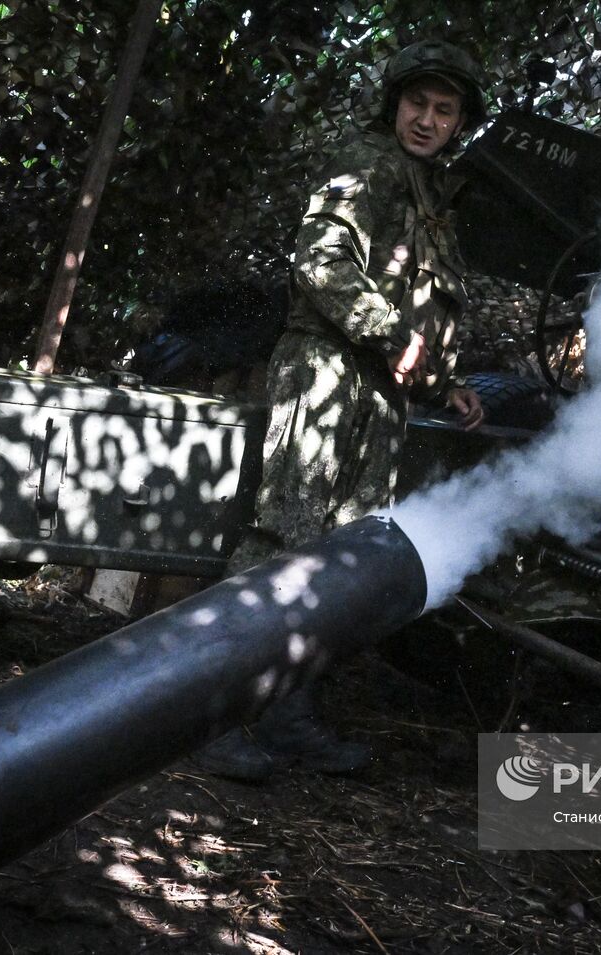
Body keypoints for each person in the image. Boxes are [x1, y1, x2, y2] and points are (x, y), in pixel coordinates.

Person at [195, 40, 488, 783]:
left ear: (459, 123)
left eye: (443, 110)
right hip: (327, 371)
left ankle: (287, 716)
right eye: (416, 104)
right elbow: (321, 263)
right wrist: (397, 339)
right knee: (280, 539)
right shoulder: (366, 164)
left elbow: (420, 305)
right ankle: (210, 715)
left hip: (380, 392)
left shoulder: (431, 195)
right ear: (393, 104)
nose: (426, 120)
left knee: (338, 560)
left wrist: (442, 379)